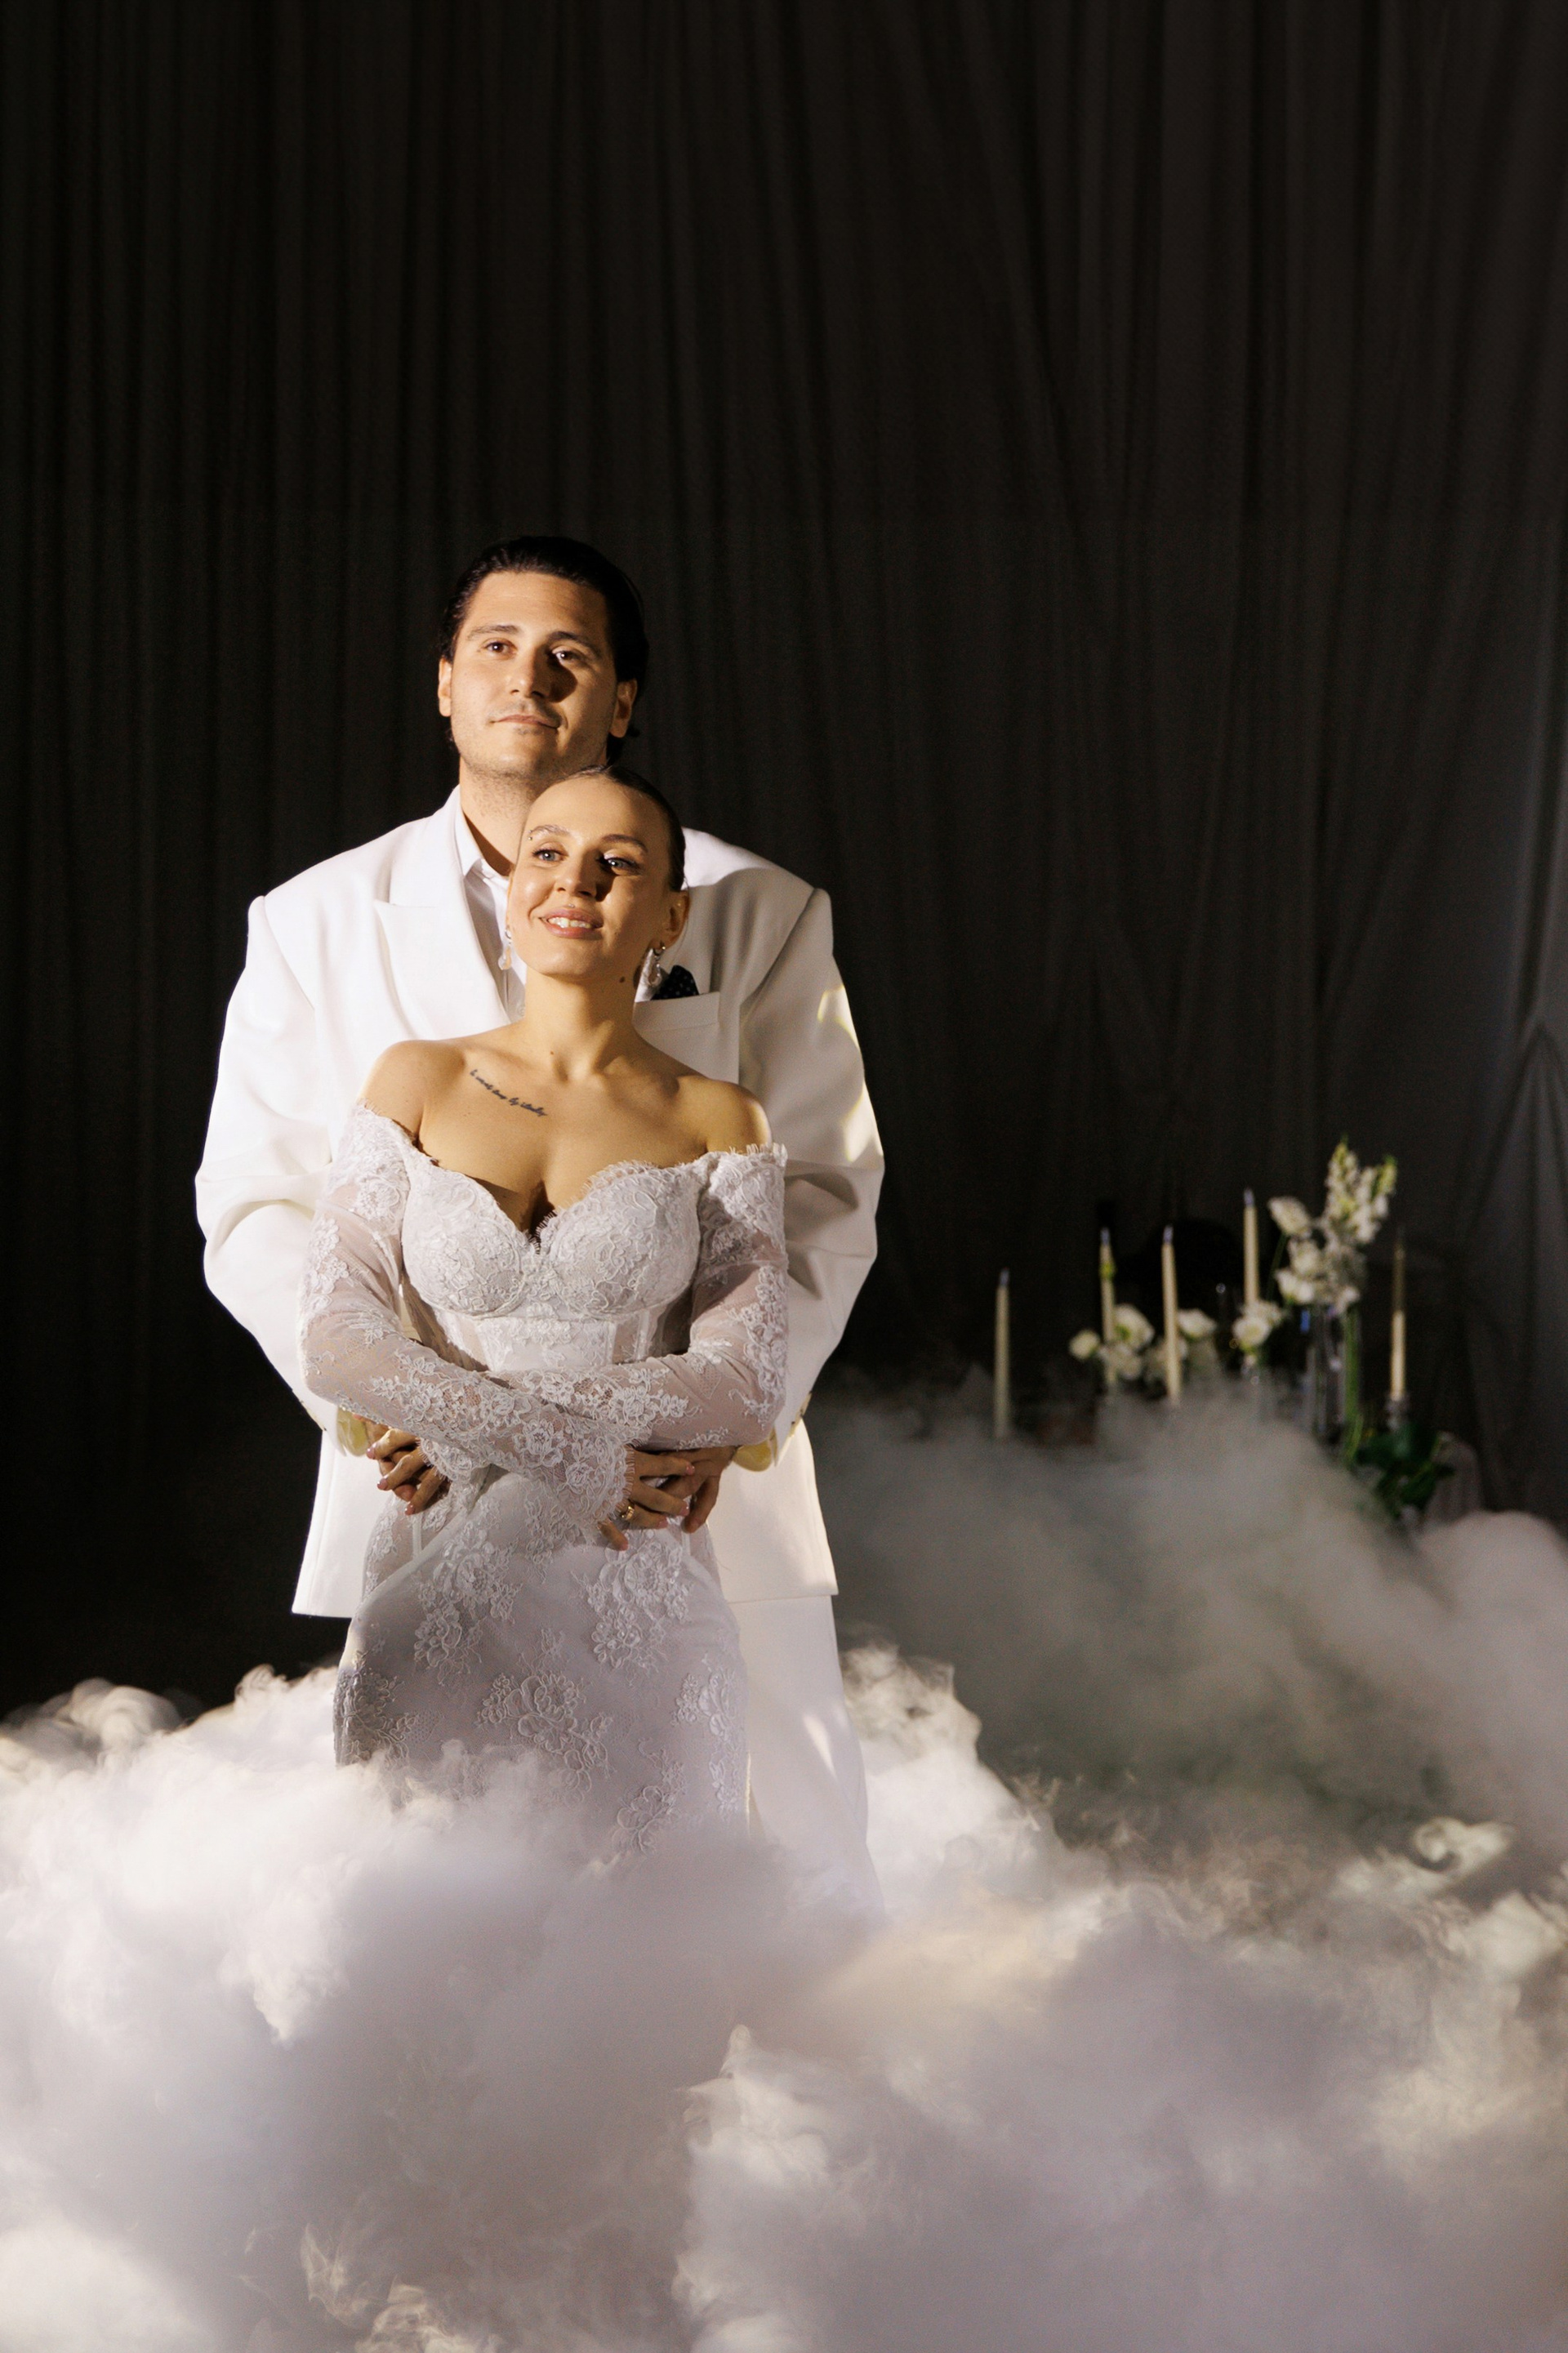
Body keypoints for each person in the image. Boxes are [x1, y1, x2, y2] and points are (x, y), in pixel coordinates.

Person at [197, 536, 884, 1893]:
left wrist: (722, 1428)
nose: (530, 679)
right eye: (497, 649)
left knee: (781, 1858)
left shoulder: (757, 907)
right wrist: (387, 1410)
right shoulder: (314, 919)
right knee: (440, 1872)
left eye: (571, 656)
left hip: (689, 1498)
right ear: (444, 682)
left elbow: (825, 1191)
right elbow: (256, 1200)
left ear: (622, 698)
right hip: (426, 1484)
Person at [301, 768, 786, 1852]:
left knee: (644, 1914)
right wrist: (568, 1449)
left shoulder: (719, 1115)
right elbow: (336, 1335)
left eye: (618, 862)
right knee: (421, 1895)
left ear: (671, 915)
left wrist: (463, 1416)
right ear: (514, 889)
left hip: (633, 1573)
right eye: (548, 853)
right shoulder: (415, 1079)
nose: (576, 880)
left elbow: (745, 1378)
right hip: (434, 1566)